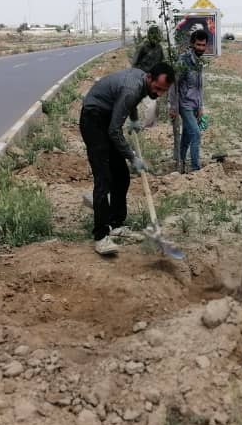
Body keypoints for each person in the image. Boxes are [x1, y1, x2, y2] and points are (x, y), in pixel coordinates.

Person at [80, 62, 176, 256]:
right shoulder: (132, 89)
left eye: (163, 91)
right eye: (157, 89)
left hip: (107, 117)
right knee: (104, 178)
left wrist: (133, 118)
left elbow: (131, 102)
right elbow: (114, 131)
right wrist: (132, 157)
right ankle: (100, 237)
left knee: (121, 175)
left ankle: (115, 224)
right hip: (93, 119)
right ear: (149, 77)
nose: (159, 94)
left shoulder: (141, 80)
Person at [169, 28, 207, 172]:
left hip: (195, 105)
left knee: (186, 136)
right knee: (196, 133)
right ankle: (195, 168)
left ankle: (181, 164)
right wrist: (173, 107)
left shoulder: (200, 62)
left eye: (203, 45)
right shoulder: (184, 61)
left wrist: (201, 106)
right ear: (192, 44)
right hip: (184, 105)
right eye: (198, 45)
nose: (201, 48)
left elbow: (200, 86)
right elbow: (174, 84)